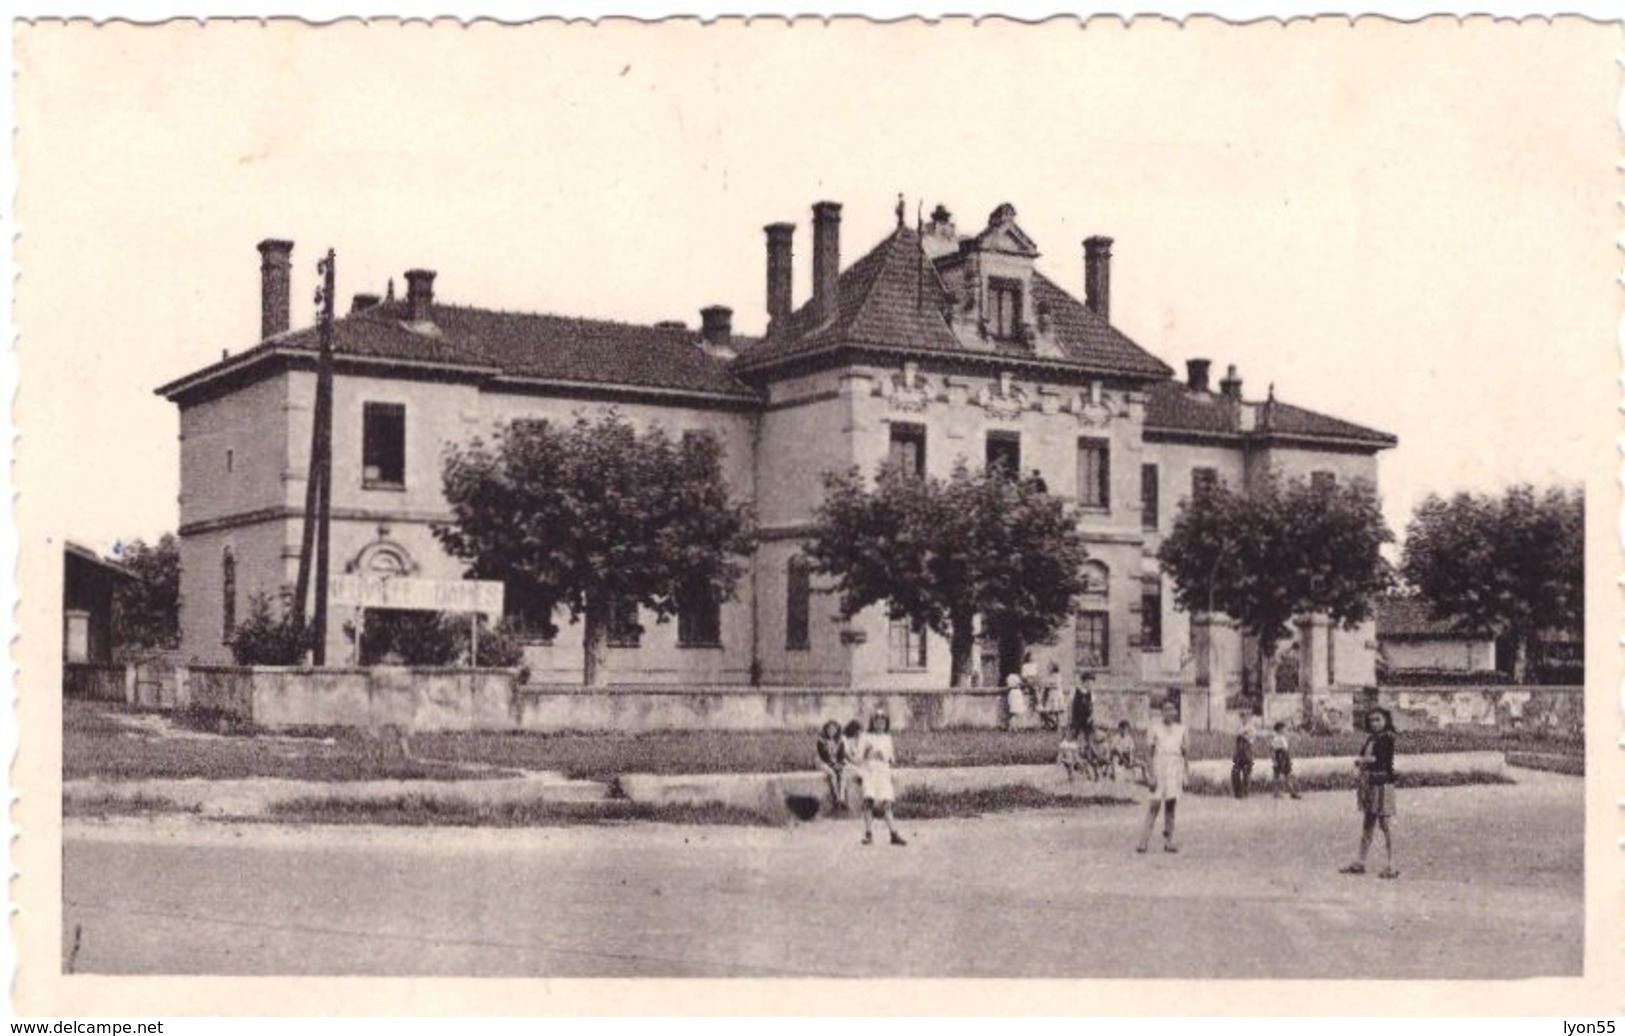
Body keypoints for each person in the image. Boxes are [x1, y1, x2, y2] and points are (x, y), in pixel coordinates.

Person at [1342, 707, 1399, 878]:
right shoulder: (1371, 739)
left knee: (1385, 824)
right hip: (1371, 784)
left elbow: (1379, 759)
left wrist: (1360, 761)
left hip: (1382, 784)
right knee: (1368, 824)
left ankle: (1391, 864)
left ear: (1386, 721)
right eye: (1372, 720)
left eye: (1378, 720)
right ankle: (1360, 861)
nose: (1375, 723)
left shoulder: (1387, 738)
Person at [1137, 698, 1188, 854]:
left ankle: (1169, 841)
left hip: (1175, 769)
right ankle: (1143, 842)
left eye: (1172, 709)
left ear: (1176, 712)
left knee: (1171, 805)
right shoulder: (1155, 728)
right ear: (1161, 712)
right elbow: (1149, 754)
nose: (1169, 712)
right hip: (1159, 768)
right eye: (1165, 709)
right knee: (1154, 805)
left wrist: (1186, 775)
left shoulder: (1182, 729)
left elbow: (1185, 755)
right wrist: (1151, 775)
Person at [857, 711, 906, 846]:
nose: (880, 724)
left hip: (883, 772)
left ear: (886, 724)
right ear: (872, 722)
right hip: (870, 771)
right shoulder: (865, 736)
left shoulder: (887, 738)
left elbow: (891, 758)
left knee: (886, 803)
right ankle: (868, 834)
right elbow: (858, 757)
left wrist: (884, 756)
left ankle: (893, 834)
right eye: (877, 721)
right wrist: (868, 753)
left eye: (883, 722)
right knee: (869, 800)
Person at [815, 720, 847, 810]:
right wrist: (834, 765)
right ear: (826, 729)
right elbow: (823, 756)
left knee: (843, 774)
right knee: (832, 774)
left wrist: (839, 765)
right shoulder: (821, 741)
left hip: (835, 762)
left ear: (837, 730)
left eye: (834, 729)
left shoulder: (840, 741)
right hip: (823, 762)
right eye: (829, 729)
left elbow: (841, 755)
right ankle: (836, 798)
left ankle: (842, 798)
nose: (831, 731)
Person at [1270, 721, 1302, 800]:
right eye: (1284, 729)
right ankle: (1291, 792)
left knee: (1278, 775)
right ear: (1280, 729)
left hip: (1283, 756)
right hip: (1281, 757)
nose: (1285, 730)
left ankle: (1277, 793)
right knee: (1286, 775)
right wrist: (1275, 760)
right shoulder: (1276, 738)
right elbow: (1273, 750)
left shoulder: (1282, 737)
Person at [1230, 717, 1256, 799]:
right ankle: (1237, 792)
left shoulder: (1251, 728)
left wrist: (1243, 734)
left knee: (1246, 773)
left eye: (1246, 718)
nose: (1244, 720)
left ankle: (1245, 792)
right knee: (1235, 772)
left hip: (1247, 752)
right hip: (1239, 753)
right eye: (1243, 718)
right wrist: (1242, 734)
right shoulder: (1239, 727)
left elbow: (1250, 738)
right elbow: (1237, 734)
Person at [840, 719, 865, 802]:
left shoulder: (856, 740)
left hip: (853, 764)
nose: (860, 733)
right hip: (844, 763)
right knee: (846, 770)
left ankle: (842, 798)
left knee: (848, 772)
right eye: (858, 731)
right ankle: (842, 798)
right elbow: (846, 754)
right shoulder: (844, 739)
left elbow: (858, 753)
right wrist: (856, 762)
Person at [1039, 660, 1064, 731]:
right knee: (1048, 711)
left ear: (1054, 668)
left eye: (1050, 667)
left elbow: (1057, 685)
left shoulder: (1057, 675)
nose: (1048, 668)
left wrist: (1048, 686)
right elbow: (1046, 683)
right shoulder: (1049, 676)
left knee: (1057, 711)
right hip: (1051, 695)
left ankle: (1058, 726)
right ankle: (1053, 724)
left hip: (1056, 694)